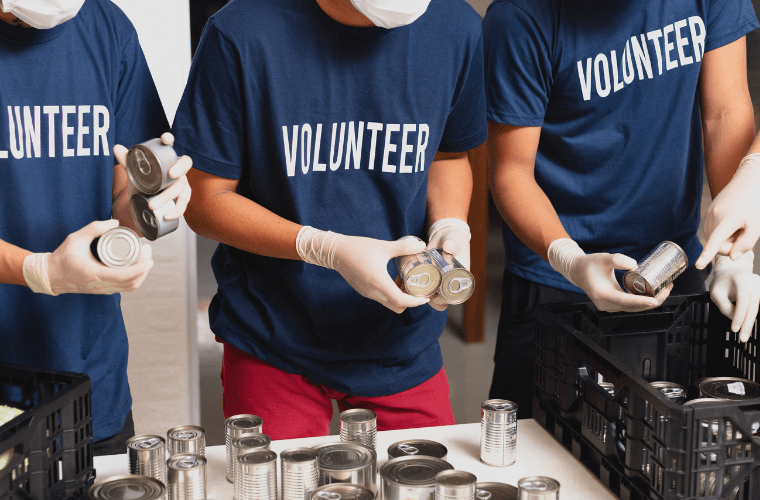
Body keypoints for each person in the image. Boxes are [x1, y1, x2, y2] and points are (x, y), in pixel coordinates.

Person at [173, 0, 486, 439]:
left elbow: (449, 154)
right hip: (274, 332)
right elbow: (204, 201)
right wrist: (325, 248)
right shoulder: (241, 32)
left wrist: (449, 225)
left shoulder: (455, 27)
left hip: (399, 335)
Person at [483, 0, 759, 418]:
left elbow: (724, 113)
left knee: (667, 439)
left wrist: (733, 255)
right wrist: (569, 260)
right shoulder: (520, 17)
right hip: (556, 275)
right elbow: (511, 172)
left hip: (671, 264)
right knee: (536, 446)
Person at [0, 0, 192, 455]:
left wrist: (154, 205)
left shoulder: (107, 27)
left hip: (88, 379)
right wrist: (38, 270)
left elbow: (123, 197)